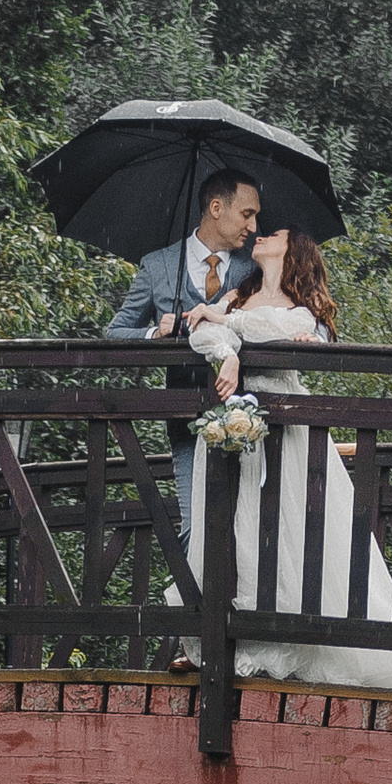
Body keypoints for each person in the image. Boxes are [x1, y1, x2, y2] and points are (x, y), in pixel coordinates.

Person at [187, 229, 392, 695]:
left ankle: (299, 635)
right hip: (235, 422)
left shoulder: (303, 311)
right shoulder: (239, 293)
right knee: (236, 525)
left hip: (289, 428)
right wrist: (227, 353)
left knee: (296, 524)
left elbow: (300, 336)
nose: (260, 233)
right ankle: (236, 635)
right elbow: (202, 330)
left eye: (273, 232)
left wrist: (227, 322)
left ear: (293, 251)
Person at [104, 170, 262, 533]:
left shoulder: (253, 268)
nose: (252, 227)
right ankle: (196, 592)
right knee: (196, 525)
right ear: (217, 207)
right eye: (247, 214)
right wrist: (152, 333)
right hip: (186, 417)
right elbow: (115, 332)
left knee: (243, 531)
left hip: (249, 417)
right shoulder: (159, 264)